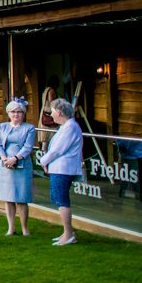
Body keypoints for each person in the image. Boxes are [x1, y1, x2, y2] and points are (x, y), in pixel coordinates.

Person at [39, 98, 84, 246]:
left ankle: (69, 234)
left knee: (62, 201)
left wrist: (43, 160)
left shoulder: (70, 127)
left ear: (59, 112)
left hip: (63, 169)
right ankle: (66, 232)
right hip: (59, 168)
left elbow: (58, 150)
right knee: (60, 200)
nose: (51, 115)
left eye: (52, 112)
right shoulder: (66, 126)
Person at [0, 98, 37, 236]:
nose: (16, 114)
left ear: (23, 114)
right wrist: (4, 158)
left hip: (21, 164)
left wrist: (15, 158)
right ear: (8, 113)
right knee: (9, 197)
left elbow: (28, 146)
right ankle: (11, 227)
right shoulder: (3, 126)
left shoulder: (29, 128)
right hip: (5, 164)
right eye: (13, 112)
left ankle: (25, 227)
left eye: (19, 112)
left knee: (22, 198)